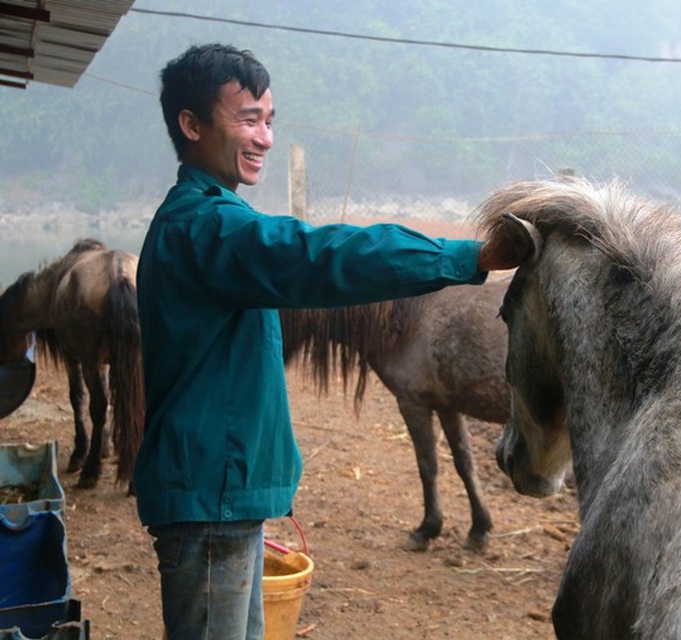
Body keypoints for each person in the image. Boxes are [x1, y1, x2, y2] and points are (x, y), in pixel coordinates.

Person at [135, 43, 519, 640]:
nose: (263, 137)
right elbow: (320, 256)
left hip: (221, 499)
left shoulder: (209, 220)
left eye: (269, 121)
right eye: (247, 120)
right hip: (212, 502)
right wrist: (469, 256)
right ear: (192, 124)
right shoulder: (207, 227)